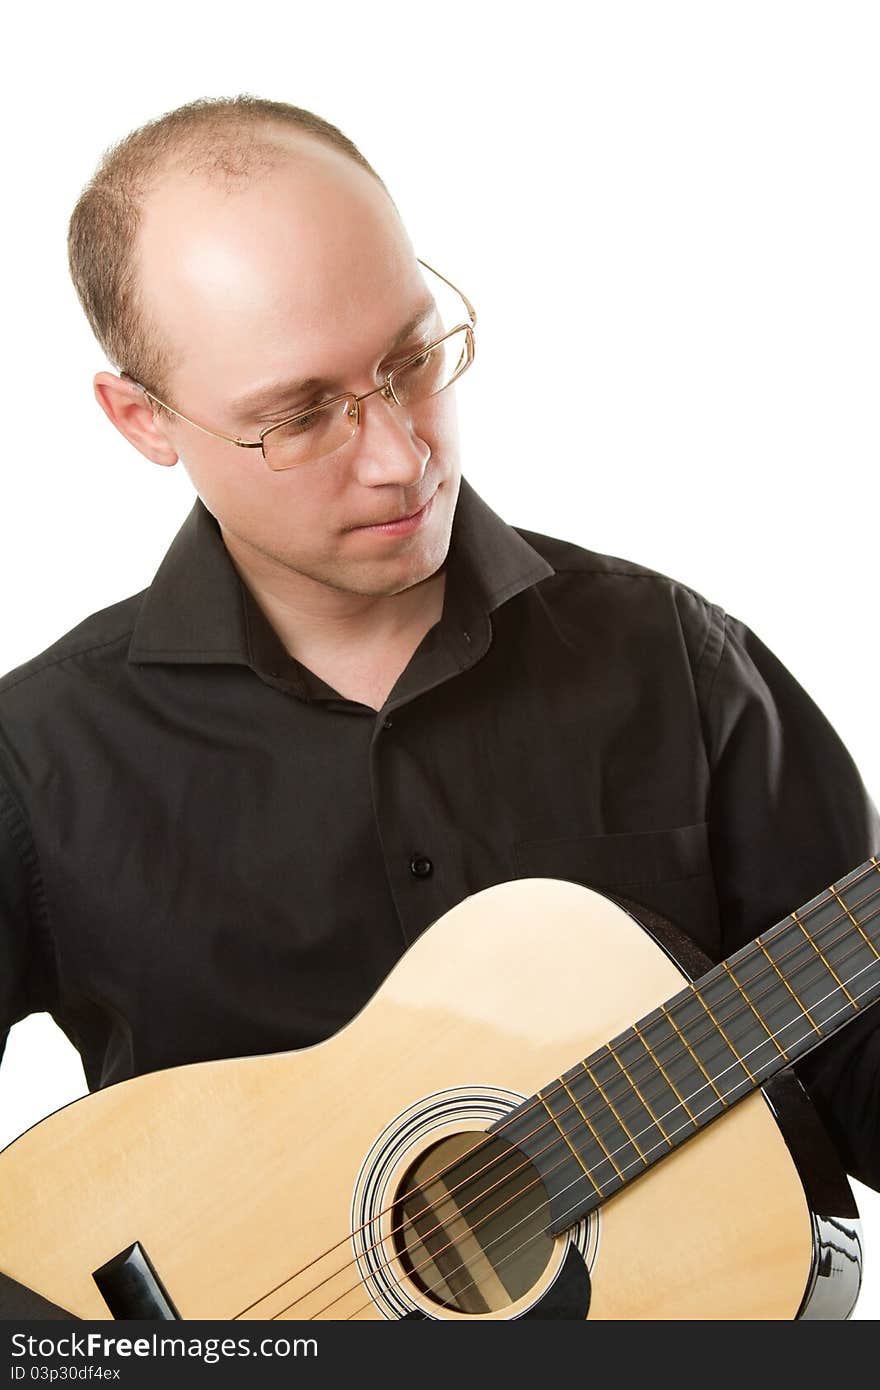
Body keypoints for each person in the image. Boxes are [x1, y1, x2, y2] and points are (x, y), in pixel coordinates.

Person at [0, 94, 877, 1319]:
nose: (401, 455)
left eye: (411, 358)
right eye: (301, 414)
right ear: (143, 418)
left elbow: (857, 1073)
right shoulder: (37, 761)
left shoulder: (678, 662)